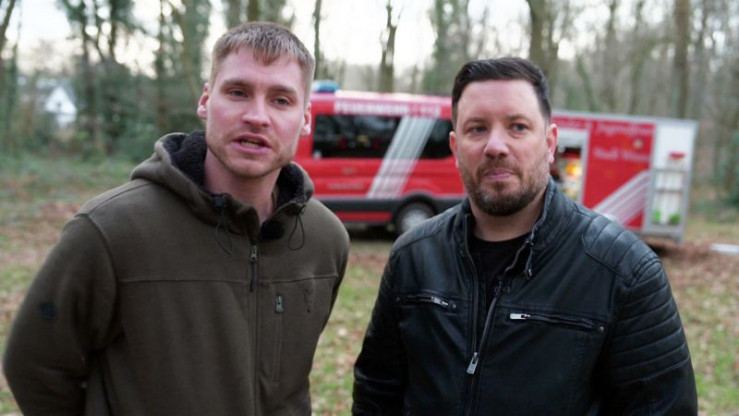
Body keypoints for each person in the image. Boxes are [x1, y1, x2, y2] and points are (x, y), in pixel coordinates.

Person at [3, 22, 349, 416]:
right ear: (206, 100)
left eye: (281, 100)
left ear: (305, 118)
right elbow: (34, 365)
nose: (257, 116)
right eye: (237, 92)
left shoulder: (325, 239)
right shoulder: (110, 230)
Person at [352, 57, 697, 415]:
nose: (495, 146)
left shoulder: (625, 272)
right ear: (455, 149)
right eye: (477, 129)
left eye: (517, 127)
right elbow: (376, 395)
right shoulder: (413, 258)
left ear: (550, 143)